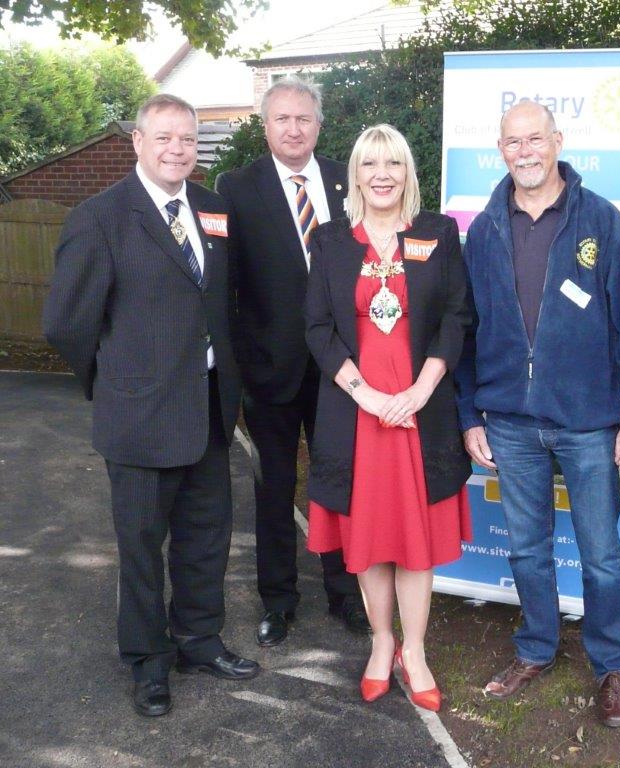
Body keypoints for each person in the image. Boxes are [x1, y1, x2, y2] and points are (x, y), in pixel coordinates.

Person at [43, 94, 259, 718]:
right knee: (141, 547)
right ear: (137, 142)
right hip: (138, 417)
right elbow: (65, 323)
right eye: (164, 138)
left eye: (188, 140)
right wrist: (113, 379)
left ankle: (198, 640)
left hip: (209, 413)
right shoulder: (100, 217)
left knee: (206, 540)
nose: (177, 150)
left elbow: (223, 303)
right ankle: (148, 661)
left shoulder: (214, 210)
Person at [455, 101, 620, 728]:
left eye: (535, 139)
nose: (525, 151)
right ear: (501, 149)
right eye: (512, 141)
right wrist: (469, 414)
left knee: (600, 552)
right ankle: (536, 648)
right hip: (508, 419)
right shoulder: (485, 226)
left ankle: (614, 666)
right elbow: (464, 330)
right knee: (527, 547)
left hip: (588, 420)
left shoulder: (600, 219)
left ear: (557, 141)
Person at [304, 124, 473, 713]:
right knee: (372, 539)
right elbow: (318, 329)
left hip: (419, 416)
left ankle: (416, 650)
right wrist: (366, 395)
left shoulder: (437, 234)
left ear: (408, 172)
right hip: (358, 418)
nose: (382, 174)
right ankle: (381, 643)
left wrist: (423, 388)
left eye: (393, 163)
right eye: (370, 163)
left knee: (415, 541)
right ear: (354, 174)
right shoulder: (329, 242)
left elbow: (457, 316)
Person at [215, 78, 367, 645]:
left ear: (319, 125)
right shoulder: (236, 187)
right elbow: (225, 288)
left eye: (304, 118)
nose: (294, 128)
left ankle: (346, 594)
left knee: (338, 485)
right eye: (282, 119)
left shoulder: (344, 180)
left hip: (341, 371)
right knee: (273, 490)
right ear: (266, 125)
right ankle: (278, 601)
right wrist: (237, 368)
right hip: (269, 371)